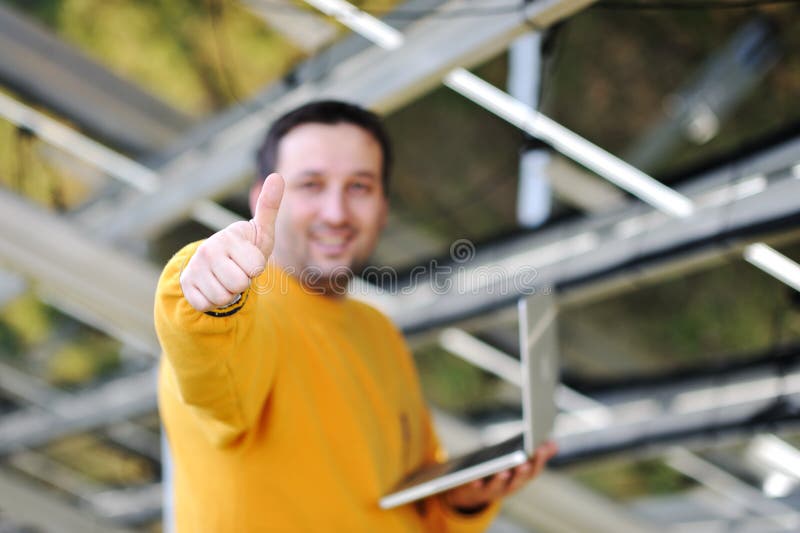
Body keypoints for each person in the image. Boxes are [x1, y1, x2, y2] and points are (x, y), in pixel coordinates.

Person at [155, 100, 557, 532]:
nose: (336, 213)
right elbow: (208, 360)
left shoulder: (377, 330)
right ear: (261, 200)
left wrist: (460, 502)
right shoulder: (241, 317)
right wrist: (201, 292)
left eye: (359, 187)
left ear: (384, 205)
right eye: (310, 185)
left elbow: (404, 500)